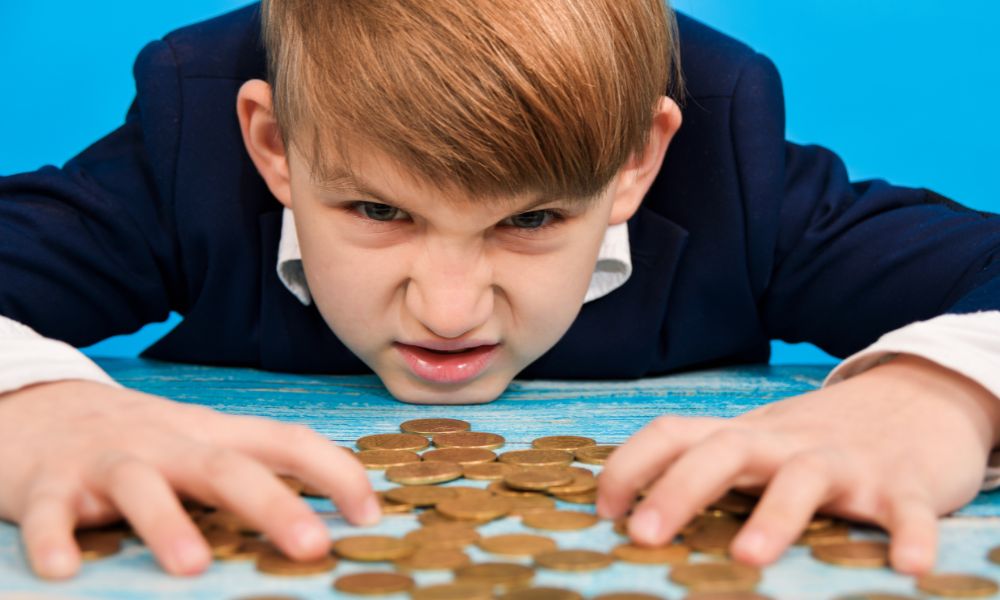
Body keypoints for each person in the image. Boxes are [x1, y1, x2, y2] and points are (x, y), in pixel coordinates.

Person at [2, 0, 999, 582]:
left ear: (635, 162)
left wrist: (934, 395)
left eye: (529, 222)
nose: (447, 310)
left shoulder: (734, 170)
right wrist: (29, 408)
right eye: (376, 212)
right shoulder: (189, 150)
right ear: (273, 143)